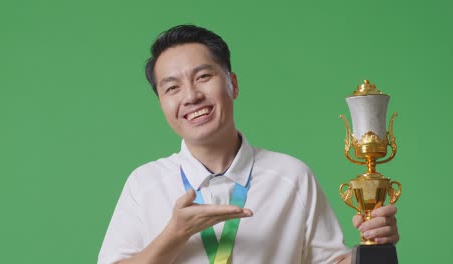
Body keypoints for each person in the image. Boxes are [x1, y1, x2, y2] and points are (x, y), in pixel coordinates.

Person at [98, 25, 399, 264]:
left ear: (233, 84)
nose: (190, 96)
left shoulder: (291, 176)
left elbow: (331, 261)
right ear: (162, 102)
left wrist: (373, 246)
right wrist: (175, 234)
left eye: (203, 77)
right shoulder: (144, 183)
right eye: (172, 87)